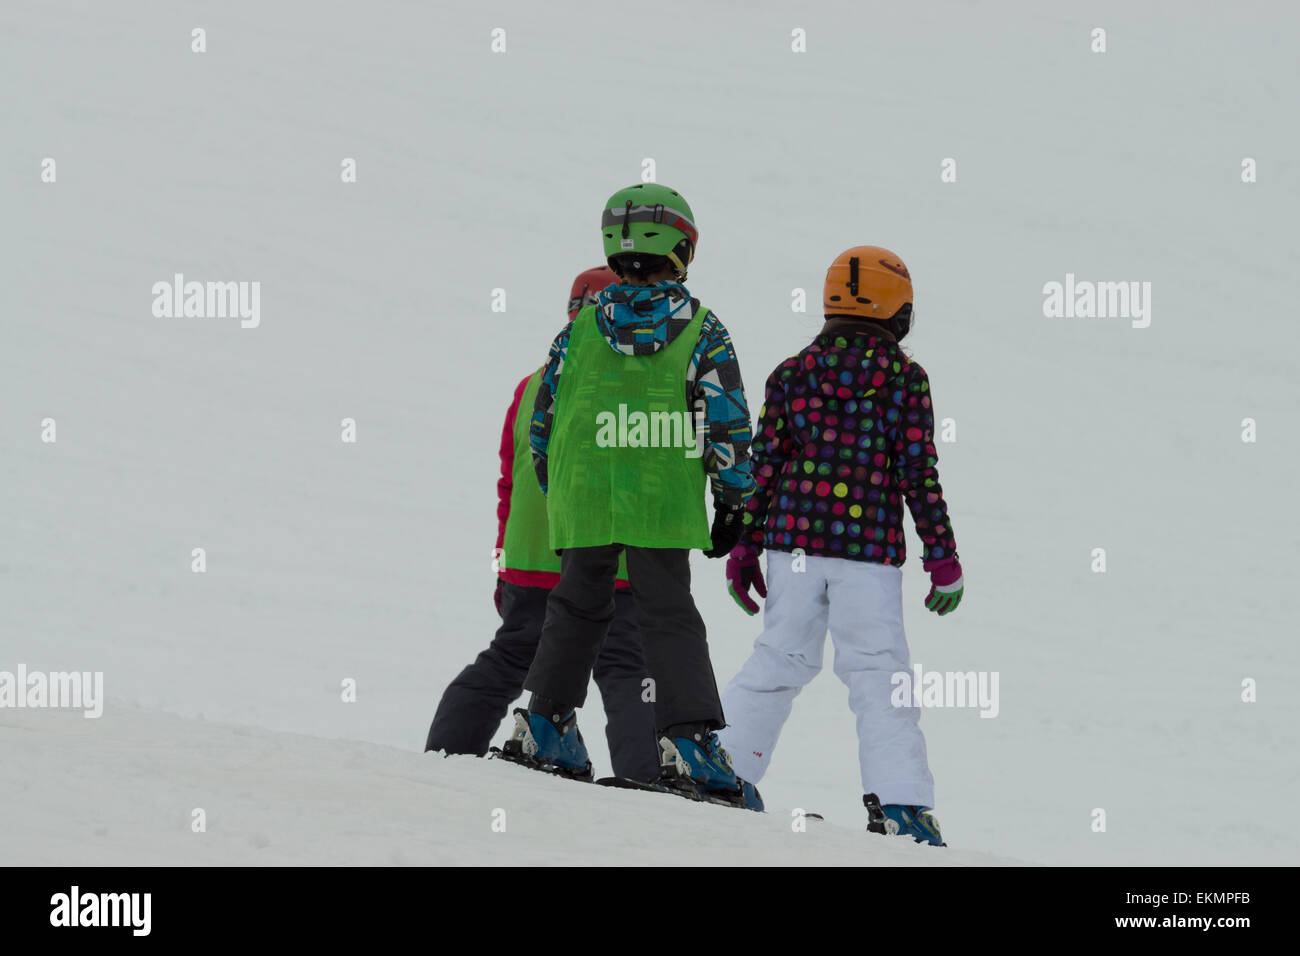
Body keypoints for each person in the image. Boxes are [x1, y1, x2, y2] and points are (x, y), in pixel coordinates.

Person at [502, 183, 760, 807]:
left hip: (585, 494)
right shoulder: (701, 329)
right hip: (661, 499)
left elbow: (546, 417)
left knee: (576, 607)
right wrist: (733, 499)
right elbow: (723, 417)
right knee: (668, 614)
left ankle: (545, 724)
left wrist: (554, 482)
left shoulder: (580, 329)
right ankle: (690, 744)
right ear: (683, 248)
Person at [718, 247, 964, 844]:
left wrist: (747, 544)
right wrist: (942, 556)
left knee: (779, 658)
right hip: (868, 553)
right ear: (896, 309)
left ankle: (724, 772)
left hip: (791, 545)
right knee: (879, 675)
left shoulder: (791, 372)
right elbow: (917, 471)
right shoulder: (905, 379)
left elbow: (765, 465)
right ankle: (901, 805)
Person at [425, 266, 660, 783]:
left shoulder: (533, 384)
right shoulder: (637, 380)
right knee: (628, 669)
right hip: (608, 562)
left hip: (532, 559)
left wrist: (506, 564)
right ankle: (650, 787)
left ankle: (445, 757)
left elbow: (511, 481)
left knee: (510, 658)